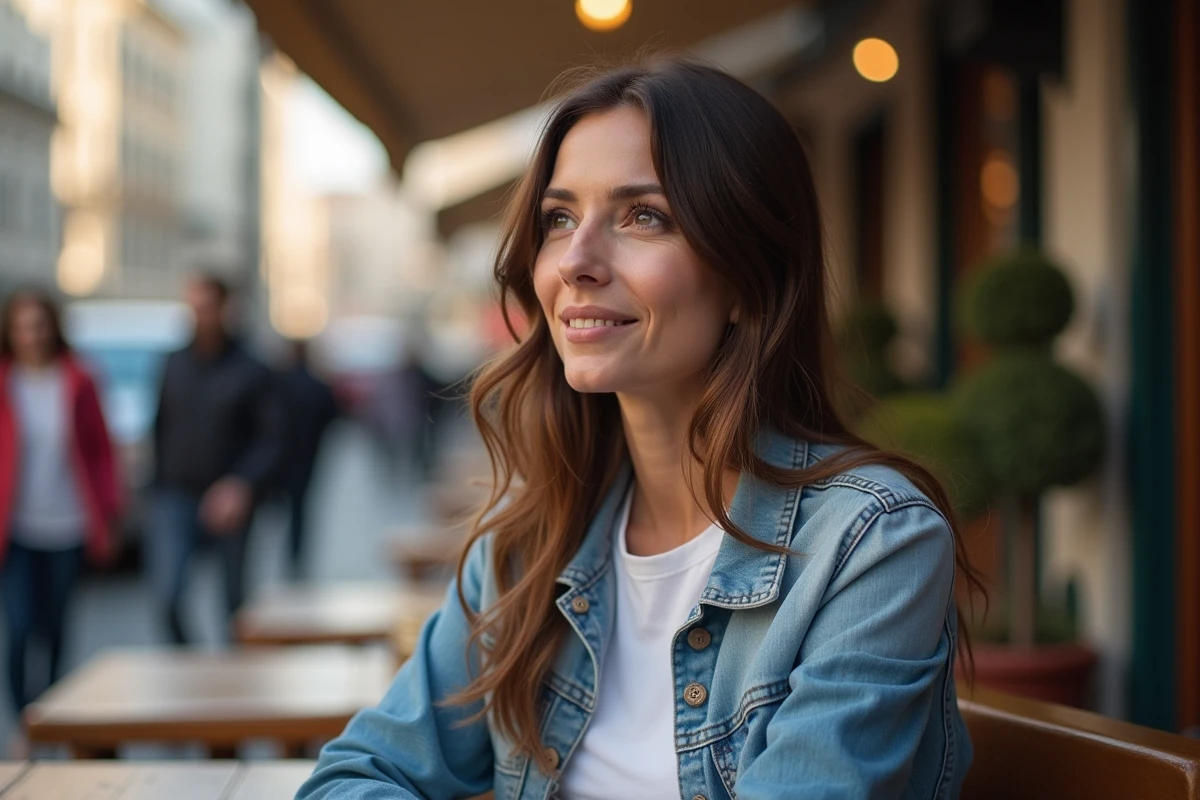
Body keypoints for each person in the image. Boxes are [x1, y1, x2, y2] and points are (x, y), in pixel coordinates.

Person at [299, 58, 984, 800]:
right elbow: (357, 775)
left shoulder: (870, 544)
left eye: (643, 216)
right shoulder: (528, 544)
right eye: (559, 218)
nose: (576, 263)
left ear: (748, 280)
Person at [0, 289, 121, 715]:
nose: (30, 336)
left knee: (54, 629)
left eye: (38, 326)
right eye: (21, 328)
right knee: (18, 627)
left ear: (53, 328)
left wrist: (108, 514)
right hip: (15, 528)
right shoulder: (4, 382)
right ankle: (23, 716)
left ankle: (48, 713)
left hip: (68, 524)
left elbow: (101, 450)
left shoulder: (78, 379)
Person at [150, 274, 282, 644]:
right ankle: (188, 666)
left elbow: (272, 440)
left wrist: (242, 484)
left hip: (230, 496)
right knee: (168, 595)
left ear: (226, 309)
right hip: (175, 494)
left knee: (234, 602)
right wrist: (156, 486)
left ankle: (232, 676)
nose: (200, 316)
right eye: (194, 308)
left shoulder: (252, 368)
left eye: (207, 308)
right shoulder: (173, 363)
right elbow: (160, 426)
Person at [276, 339, 339, 578]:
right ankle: (296, 556)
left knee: (285, 510)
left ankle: (289, 556)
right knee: (301, 510)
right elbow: (332, 417)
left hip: (283, 459)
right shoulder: (318, 385)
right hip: (309, 456)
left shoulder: (280, 385)